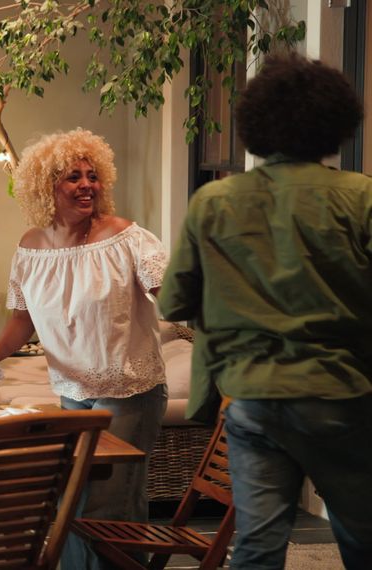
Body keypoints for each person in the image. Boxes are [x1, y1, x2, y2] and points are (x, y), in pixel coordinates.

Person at [159, 53, 372, 569]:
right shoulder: (359, 197)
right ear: (334, 123)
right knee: (363, 536)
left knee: (257, 544)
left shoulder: (214, 201)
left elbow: (174, 302)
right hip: (338, 395)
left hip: (251, 399)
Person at [0, 128, 168, 569]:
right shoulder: (30, 248)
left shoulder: (127, 238)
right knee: (70, 504)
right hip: (73, 394)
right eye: (72, 177)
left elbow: (167, 291)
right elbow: (23, 319)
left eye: (92, 176)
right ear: (46, 187)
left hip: (129, 390)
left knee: (108, 509)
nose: (86, 185)